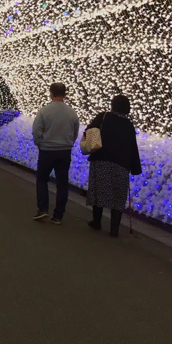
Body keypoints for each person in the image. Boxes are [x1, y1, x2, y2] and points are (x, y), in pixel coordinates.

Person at [85, 94, 142, 237]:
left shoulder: (103, 117)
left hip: (101, 160)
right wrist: (135, 167)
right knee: (117, 197)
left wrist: (89, 148)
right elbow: (132, 147)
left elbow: (90, 131)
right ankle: (114, 230)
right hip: (121, 165)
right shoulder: (128, 125)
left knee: (99, 192)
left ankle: (96, 222)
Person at [31, 82, 80, 224]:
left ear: (51, 93)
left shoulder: (44, 111)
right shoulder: (72, 112)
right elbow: (75, 132)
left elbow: (36, 131)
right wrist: (69, 142)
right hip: (65, 151)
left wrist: (39, 143)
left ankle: (43, 209)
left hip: (47, 150)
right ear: (65, 95)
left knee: (42, 179)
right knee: (62, 183)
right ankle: (58, 216)